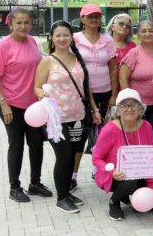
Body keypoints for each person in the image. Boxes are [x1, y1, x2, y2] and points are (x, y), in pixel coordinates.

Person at [34, 21, 102, 214]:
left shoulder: (77, 58)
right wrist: (42, 94)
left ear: (72, 37)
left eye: (66, 35)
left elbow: (85, 88)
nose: (62, 39)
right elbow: (37, 86)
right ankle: (61, 198)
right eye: (58, 35)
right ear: (52, 38)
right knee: (63, 157)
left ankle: (66, 192)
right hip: (56, 119)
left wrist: (95, 109)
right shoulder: (48, 61)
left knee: (73, 156)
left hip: (79, 116)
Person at [0, 8, 52, 203]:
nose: (23, 26)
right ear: (11, 25)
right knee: (16, 144)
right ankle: (14, 187)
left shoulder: (33, 41)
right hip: (11, 104)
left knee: (36, 144)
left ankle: (35, 183)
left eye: (27, 22)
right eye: (19, 23)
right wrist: (3, 103)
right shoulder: (3, 46)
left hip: (33, 107)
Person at [91, 88, 153, 221]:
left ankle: (129, 197)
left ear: (141, 109)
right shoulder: (110, 129)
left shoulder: (146, 126)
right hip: (115, 176)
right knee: (130, 182)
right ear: (117, 110)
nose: (129, 109)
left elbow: (152, 158)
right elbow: (96, 158)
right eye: (124, 105)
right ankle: (114, 202)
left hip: (141, 174)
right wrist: (112, 171)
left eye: (134, 104)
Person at [73, 4, 118, 186]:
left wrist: (114, 94)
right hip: (80, 95)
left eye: (97, 17)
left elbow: (114, 67)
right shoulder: (75, 39)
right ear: (82, 19)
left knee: (102, 135)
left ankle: (99, 170)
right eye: (89, 17)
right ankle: (73, 175)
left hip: (104, 92)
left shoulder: (108, 40)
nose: (93, 20)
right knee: (80, 136)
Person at [119, 20, 153, 133]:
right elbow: (123, 78)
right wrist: (129, 102)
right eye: (144, 31)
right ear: (139, 34)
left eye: (151, 31)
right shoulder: (133, 53)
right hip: (137, 106)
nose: (147, 34)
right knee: (139, 135)